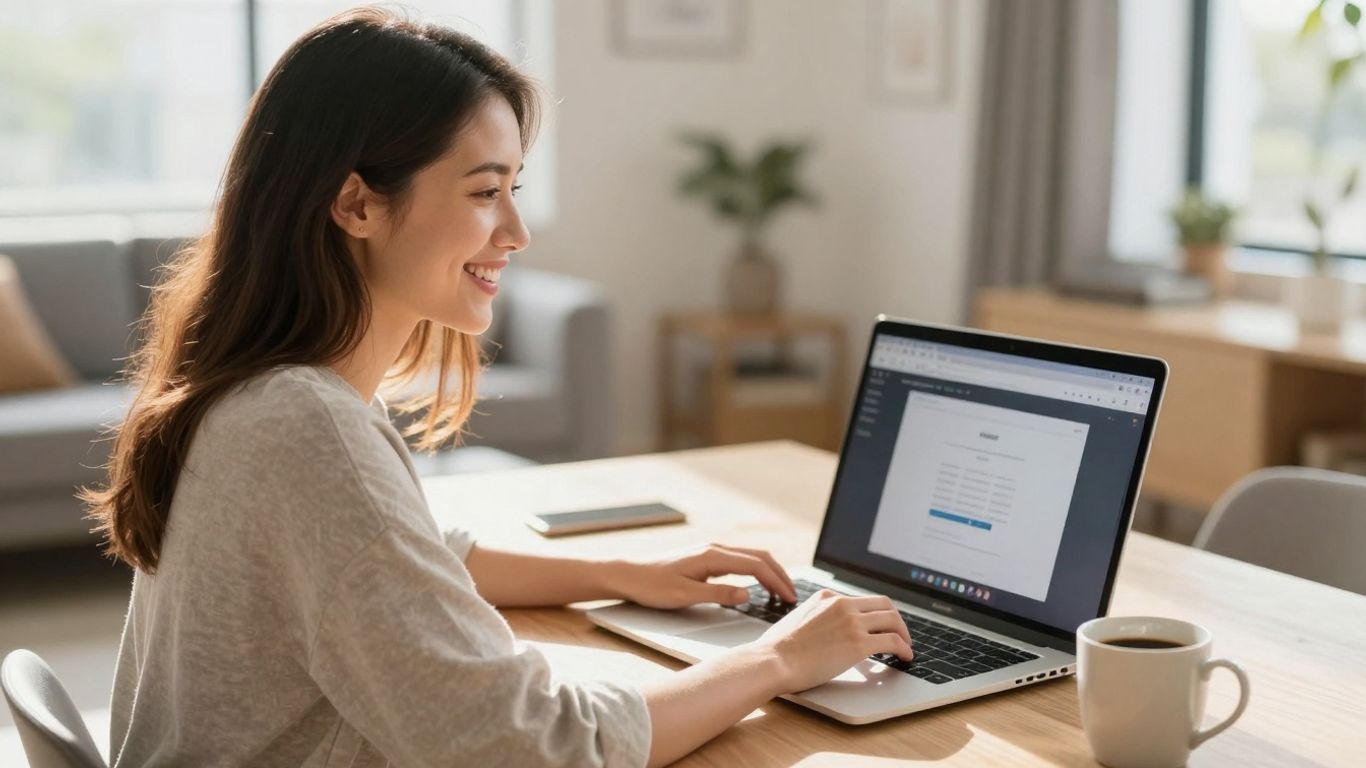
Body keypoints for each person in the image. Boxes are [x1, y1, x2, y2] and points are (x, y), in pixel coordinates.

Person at [83, 8, 914, 767]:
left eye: (513, 189)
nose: (514, 232)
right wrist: (779, 658)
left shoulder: (262, 392)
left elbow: (413, 560)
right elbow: (530, 750)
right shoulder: (306, 428)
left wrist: (629, 572)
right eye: (485, 192)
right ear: (355, 204)